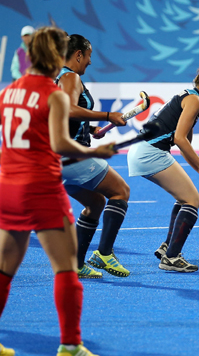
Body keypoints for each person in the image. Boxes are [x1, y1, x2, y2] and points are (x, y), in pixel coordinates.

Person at [0, 25, 115, 356]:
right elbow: (60, 142)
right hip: (40, 188)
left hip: (8, 188)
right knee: (66, 267)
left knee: (5, 269)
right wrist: (97, 151)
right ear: (52, 55)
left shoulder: (10, 91)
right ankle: (70, 345)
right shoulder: (50, 94)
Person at [127, 64, 199, 273]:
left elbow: (185, 144)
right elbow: (180, 140)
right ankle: (171, 257)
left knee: (185, 197)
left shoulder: (189, 97)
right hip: (150, 152)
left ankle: (167, 248)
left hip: (143, 149)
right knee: (193, 200)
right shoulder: (195, 101)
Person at [56, 34, 131, 279]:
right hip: (73, 156)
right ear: (79, 54)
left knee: (96, 202)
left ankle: (76, 264)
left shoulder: (57, 78)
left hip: (58, 161)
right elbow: (67, 108)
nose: (89, 62)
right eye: (88, 57)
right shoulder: (70, 76)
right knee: (121, 191)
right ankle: (104, 253)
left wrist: (89, 128)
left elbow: (60, 116)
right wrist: (108, 115)